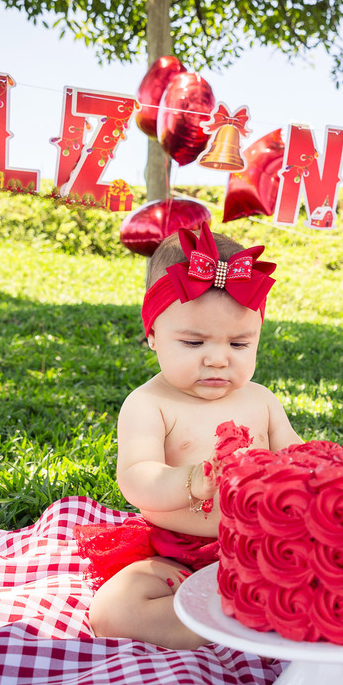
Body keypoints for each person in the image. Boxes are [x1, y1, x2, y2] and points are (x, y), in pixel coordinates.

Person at [79, 221, 301, 649]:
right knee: (114, 609)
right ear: (152, 335)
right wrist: (189, 482)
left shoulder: (261, 399)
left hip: (262, 548)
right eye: (193, 343)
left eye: (239, 345)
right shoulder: (150, 404)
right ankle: (217, 618)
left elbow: (294, 454)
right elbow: (136, 477)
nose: (218, 359)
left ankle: (239, 608)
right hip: (175, 554)